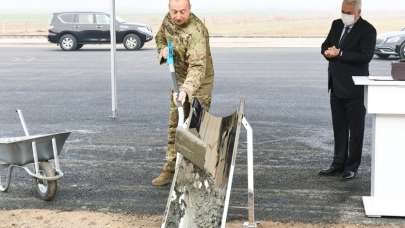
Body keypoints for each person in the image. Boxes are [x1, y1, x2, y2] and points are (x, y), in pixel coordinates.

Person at [152, 0, 214, 186]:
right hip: (178, 79)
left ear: (189, 10)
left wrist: (187, 90)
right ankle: (170, 168)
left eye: (182, 12)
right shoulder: (168, 20)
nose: (178, 16)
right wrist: (162, 49)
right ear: (169, 10)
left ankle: (194, 174)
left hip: (200, 83)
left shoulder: (196, 31)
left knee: (196, 127)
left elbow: (197, 68)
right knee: (175, 124)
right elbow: (160, 37)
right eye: (174, 12)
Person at [319, 0, 376, 180]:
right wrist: (327, 52)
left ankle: (352, 167)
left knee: (356, 131)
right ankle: (337, 164)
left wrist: (340, 54)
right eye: (343, 11)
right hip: (336, 86)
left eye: (349, 12)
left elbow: (365, 56)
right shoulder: (336, 24)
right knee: (339, 128)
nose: (345, 15)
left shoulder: (368, 30)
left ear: (358, 12)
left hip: (355, 89)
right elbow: (325, 45)